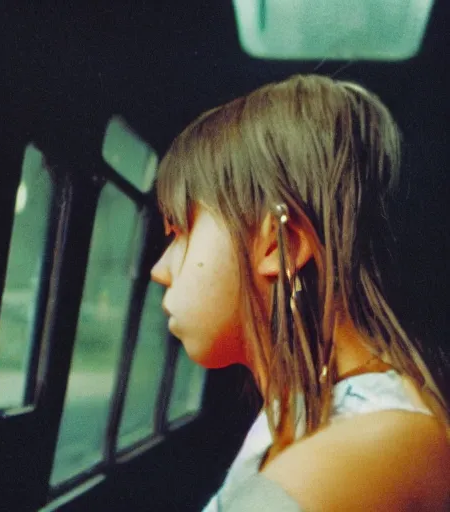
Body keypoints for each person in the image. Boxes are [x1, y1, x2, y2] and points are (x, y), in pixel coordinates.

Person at [150, 74, 450, 511]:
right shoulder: (317, 413)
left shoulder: (372, 449)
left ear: (281, 245)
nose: (161, 269)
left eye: (180, 233)